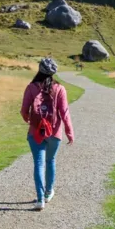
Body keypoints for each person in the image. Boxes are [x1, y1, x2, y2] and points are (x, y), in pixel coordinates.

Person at [20, 58, 74, 211]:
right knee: (50, 161)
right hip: (54, 132)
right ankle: (49, 192)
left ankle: (40, 199)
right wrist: (69, 132)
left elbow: (24, 111)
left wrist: (30, 120)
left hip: (35, 131)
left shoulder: (31, 87)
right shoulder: (60, 89)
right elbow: (65, 113)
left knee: (39, 163)